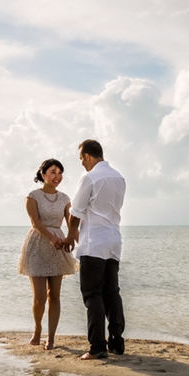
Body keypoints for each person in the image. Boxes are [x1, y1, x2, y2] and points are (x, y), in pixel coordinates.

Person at [65, 139, 126, 360]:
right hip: (114, 241)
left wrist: (71, 234)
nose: (82, 163)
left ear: (88, 156)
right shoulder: (119, 178)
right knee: (112, 293)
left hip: (94, 243)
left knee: (92, 295)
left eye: (82, 159)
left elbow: (76, 211)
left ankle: (97, 347)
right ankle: (117, 343)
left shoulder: (89, 177)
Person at [17, 158, 78, 350]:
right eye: (53, 172)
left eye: (60, 173)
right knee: (40, 297)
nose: (57, 176)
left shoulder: (65, 198)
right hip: (38, 244)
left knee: (55, 295)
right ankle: (37, 329)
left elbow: (71, 222)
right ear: (43, 174)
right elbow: (35, 222)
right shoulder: (33, 196)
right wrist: (51, 238)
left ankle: (51, 338)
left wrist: (71, 239)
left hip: (58, 246)